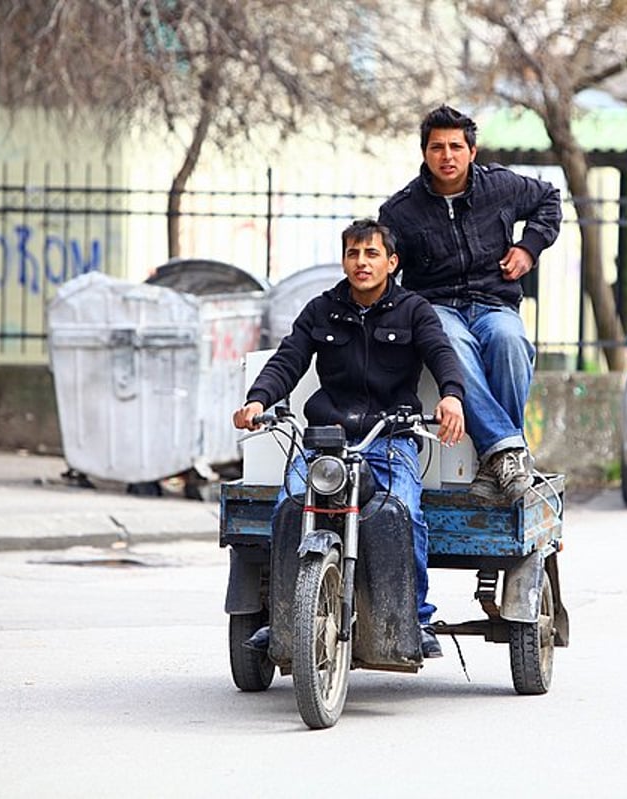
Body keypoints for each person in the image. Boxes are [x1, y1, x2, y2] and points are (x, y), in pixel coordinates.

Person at [232, 218, 466, 658]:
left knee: (403, 512)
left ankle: (416, 618)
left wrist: (452, 397)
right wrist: (258, 400)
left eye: (372, 253)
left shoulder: (414, 310)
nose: (362, 262)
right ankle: (284, 617)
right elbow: (289, 359)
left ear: (391, 262)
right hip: (326, 440)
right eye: (354, 254)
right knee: (289, 505)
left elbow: (442, 355)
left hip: (389, 438)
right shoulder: (322, 309)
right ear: (344, 260)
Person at [379, 104, 562, 503]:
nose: (447, 156)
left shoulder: (500, 186)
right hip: (437, 307)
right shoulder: (400, 211)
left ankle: (492, 461)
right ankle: (511, 452)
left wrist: (528, 248)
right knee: (452, 344)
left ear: (472, 152)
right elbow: (385, 269)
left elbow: (549, 199)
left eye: (456, 147)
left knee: (509, 342)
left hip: (495, 302)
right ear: (424, 153)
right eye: (438, 147)